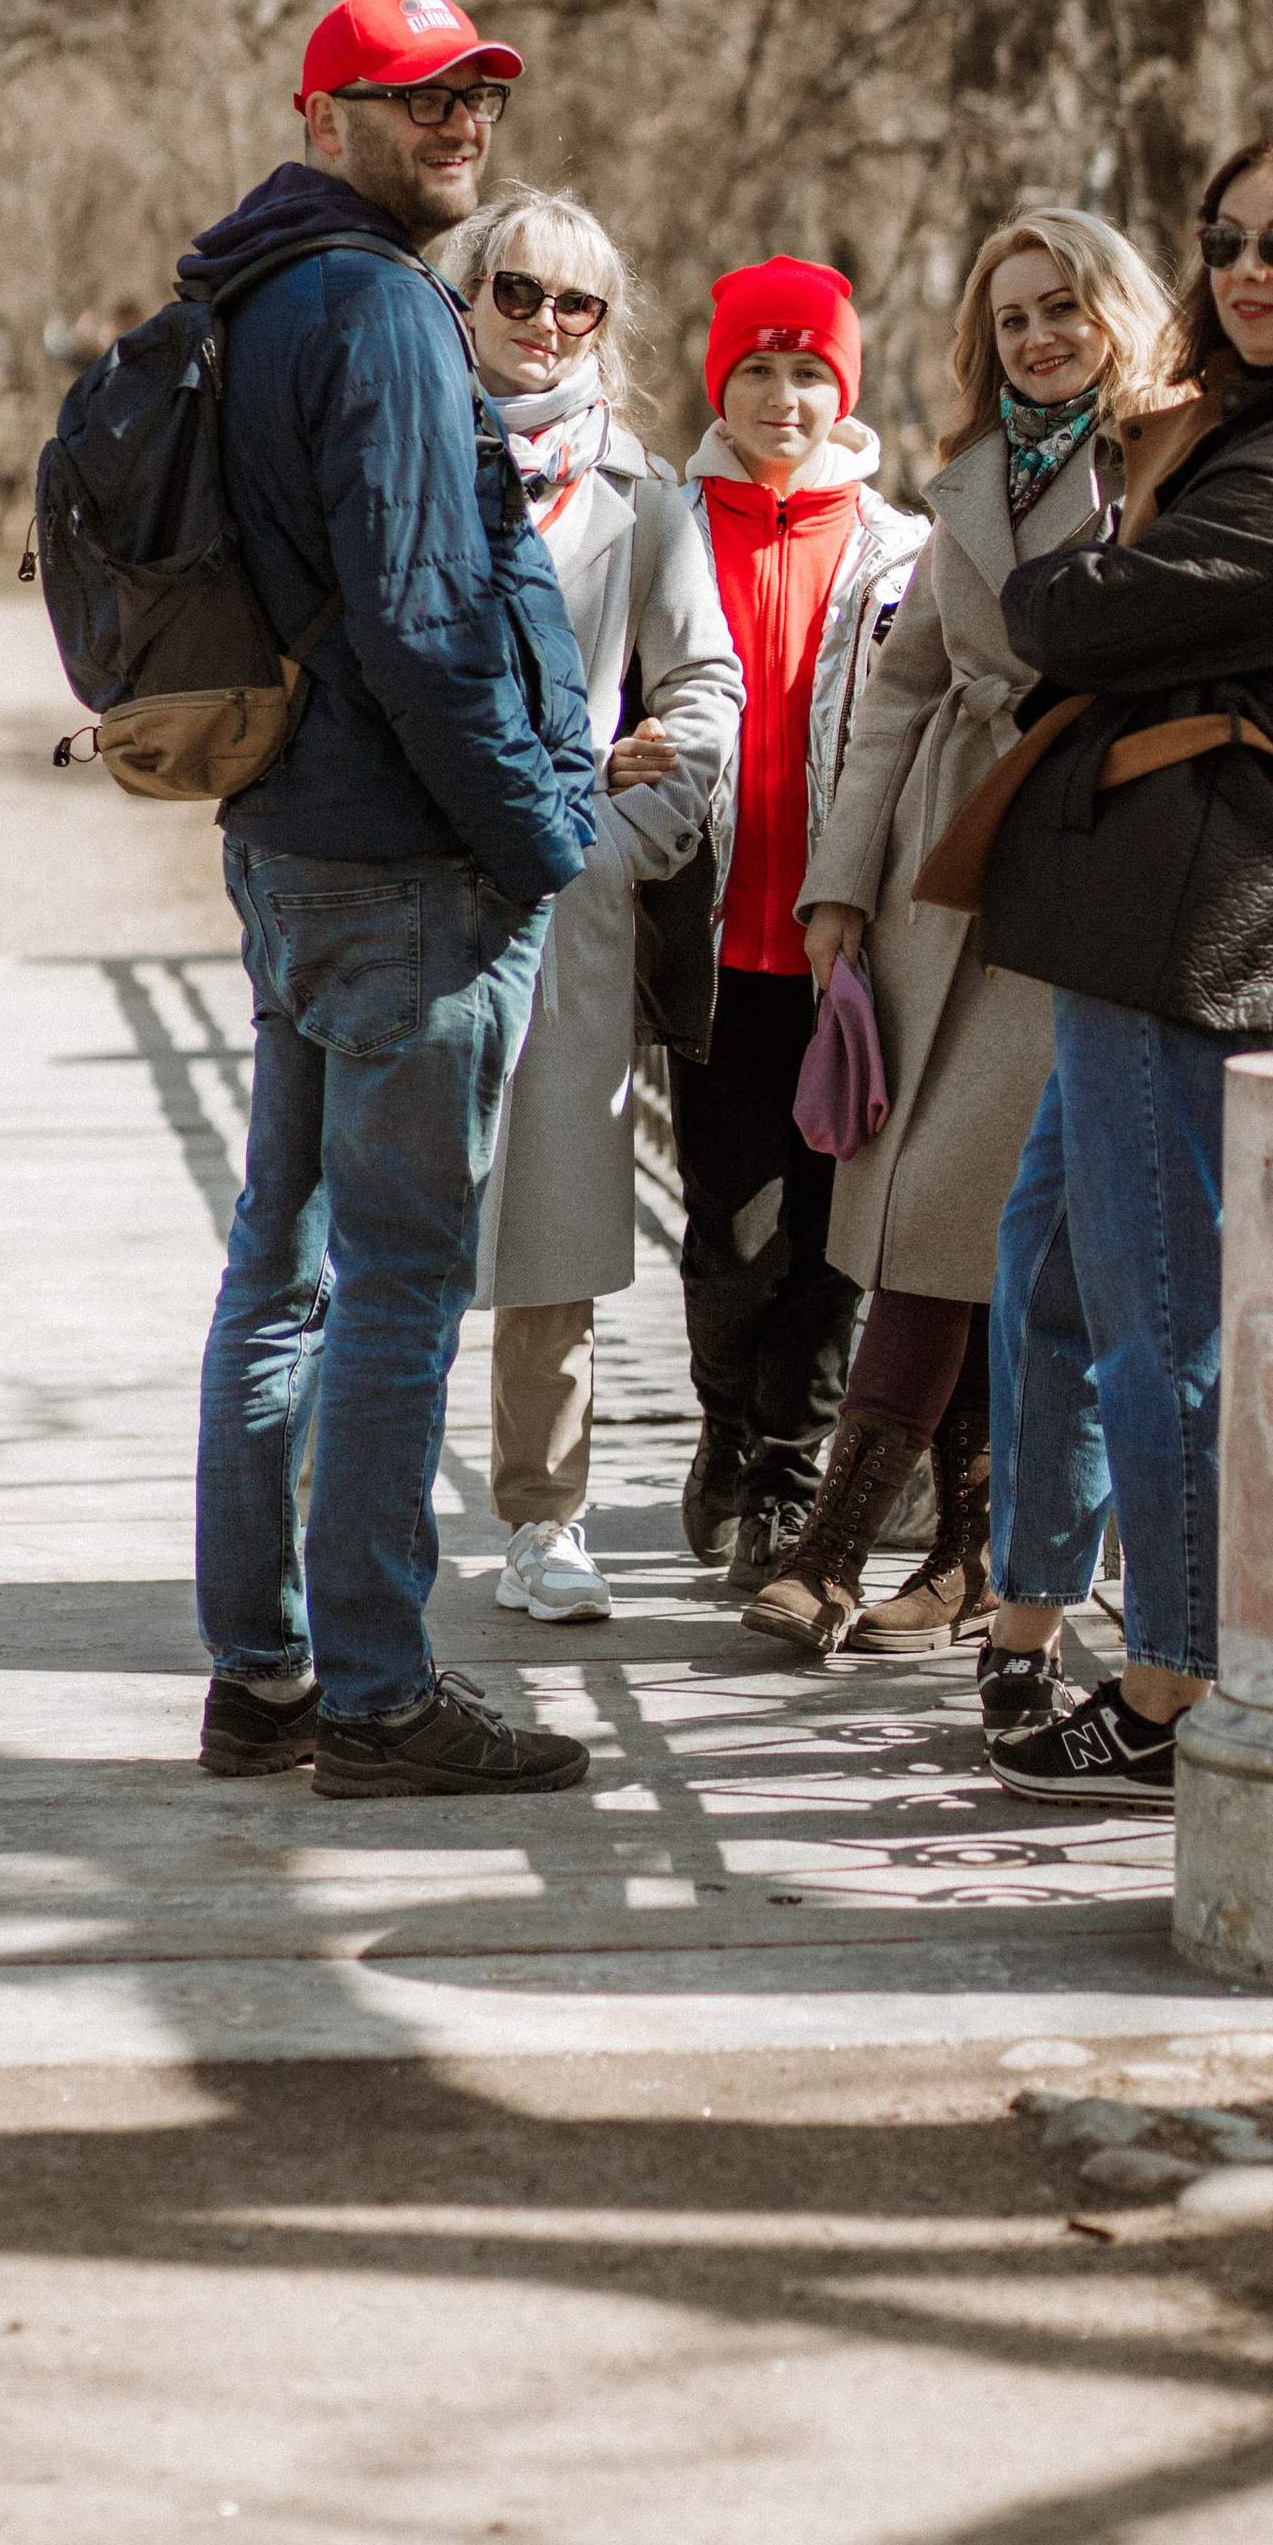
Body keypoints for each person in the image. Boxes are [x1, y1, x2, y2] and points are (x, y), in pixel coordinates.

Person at [970, 131, 1273, 1805]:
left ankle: (1180, 1684)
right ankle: (1030, 1609)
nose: (1251, 269)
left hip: (1200, 934)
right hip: (1142, 920)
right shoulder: (1266, 432)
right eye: (1229, 242)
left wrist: (1098, 546)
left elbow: (1071, 614)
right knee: (1050, 1268)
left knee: (1158, 1312)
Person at [184, 0, 599, 1802]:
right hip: (403, 868)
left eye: (477, 100)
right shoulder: (370, 307)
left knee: (278, 1267)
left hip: (290, 842)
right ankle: (372, 1691)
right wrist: (545, 833)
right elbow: (432, 623)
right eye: (417, 96)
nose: (458, 125)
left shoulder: (253, 290)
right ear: (322, 112)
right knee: (399, 1283)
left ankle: (261, 1677)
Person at [745, 211, 1176, 1659]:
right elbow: (905, 690)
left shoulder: (1163, 469)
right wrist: (839, 888)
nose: (1040, 338)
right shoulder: (977, 479)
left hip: (1077, 865)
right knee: (971, 1217)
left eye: (1065, 308)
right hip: (946, 867)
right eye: (1012, 320)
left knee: (953, 1213)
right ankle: (973, 1554)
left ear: (1118, 313)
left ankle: (832, 1547)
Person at [438, 188, 744, 1623]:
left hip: (565, 894)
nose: (546, 325)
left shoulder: (643, 489)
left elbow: (704, 693)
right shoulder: (401, 448)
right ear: (467, 292)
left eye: (578, 304)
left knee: (554, 1213)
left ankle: (544, 1517)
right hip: (412, 891)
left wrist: (621, 840)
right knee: (386, 1205)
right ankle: (349, 1502)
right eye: (518, 293)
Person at [673, 258, 928, 1594]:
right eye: (759, 371)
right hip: (713, 948)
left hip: (848, 952)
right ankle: (726, 1430)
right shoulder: (664, 527)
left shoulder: (900, 550)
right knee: (736, 1234)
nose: (785, 398)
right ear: (722, 381)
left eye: (810, 372)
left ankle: (785, 1474)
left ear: (847, 390)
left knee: (835, 1238)